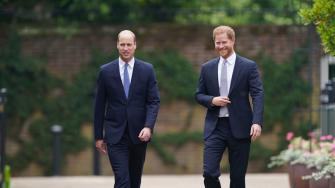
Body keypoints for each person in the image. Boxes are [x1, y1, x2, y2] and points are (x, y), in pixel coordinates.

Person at [195, 25, 264, 188]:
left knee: (238, 178)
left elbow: (258, 94)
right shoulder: (207, 68)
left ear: (233, 41)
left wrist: (257, 122)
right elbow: (198, 94)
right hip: (215, 127)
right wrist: (212, 100)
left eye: (224, 42)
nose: (220, 46)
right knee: (209, 173)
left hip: (241, 127)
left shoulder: (248, 66)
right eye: (217, 43)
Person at [94, 30, 160, 188]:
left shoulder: (147, 70)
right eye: (122, 44)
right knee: (123, 180)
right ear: (117, 45)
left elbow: (153, 101)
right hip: (115, 135)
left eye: (129, 44)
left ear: (135, 45)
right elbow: (99, 105)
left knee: (134, 181)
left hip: (139, 135)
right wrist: (98, 136)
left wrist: (148, 126)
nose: (125, 48)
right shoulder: (106, 71)